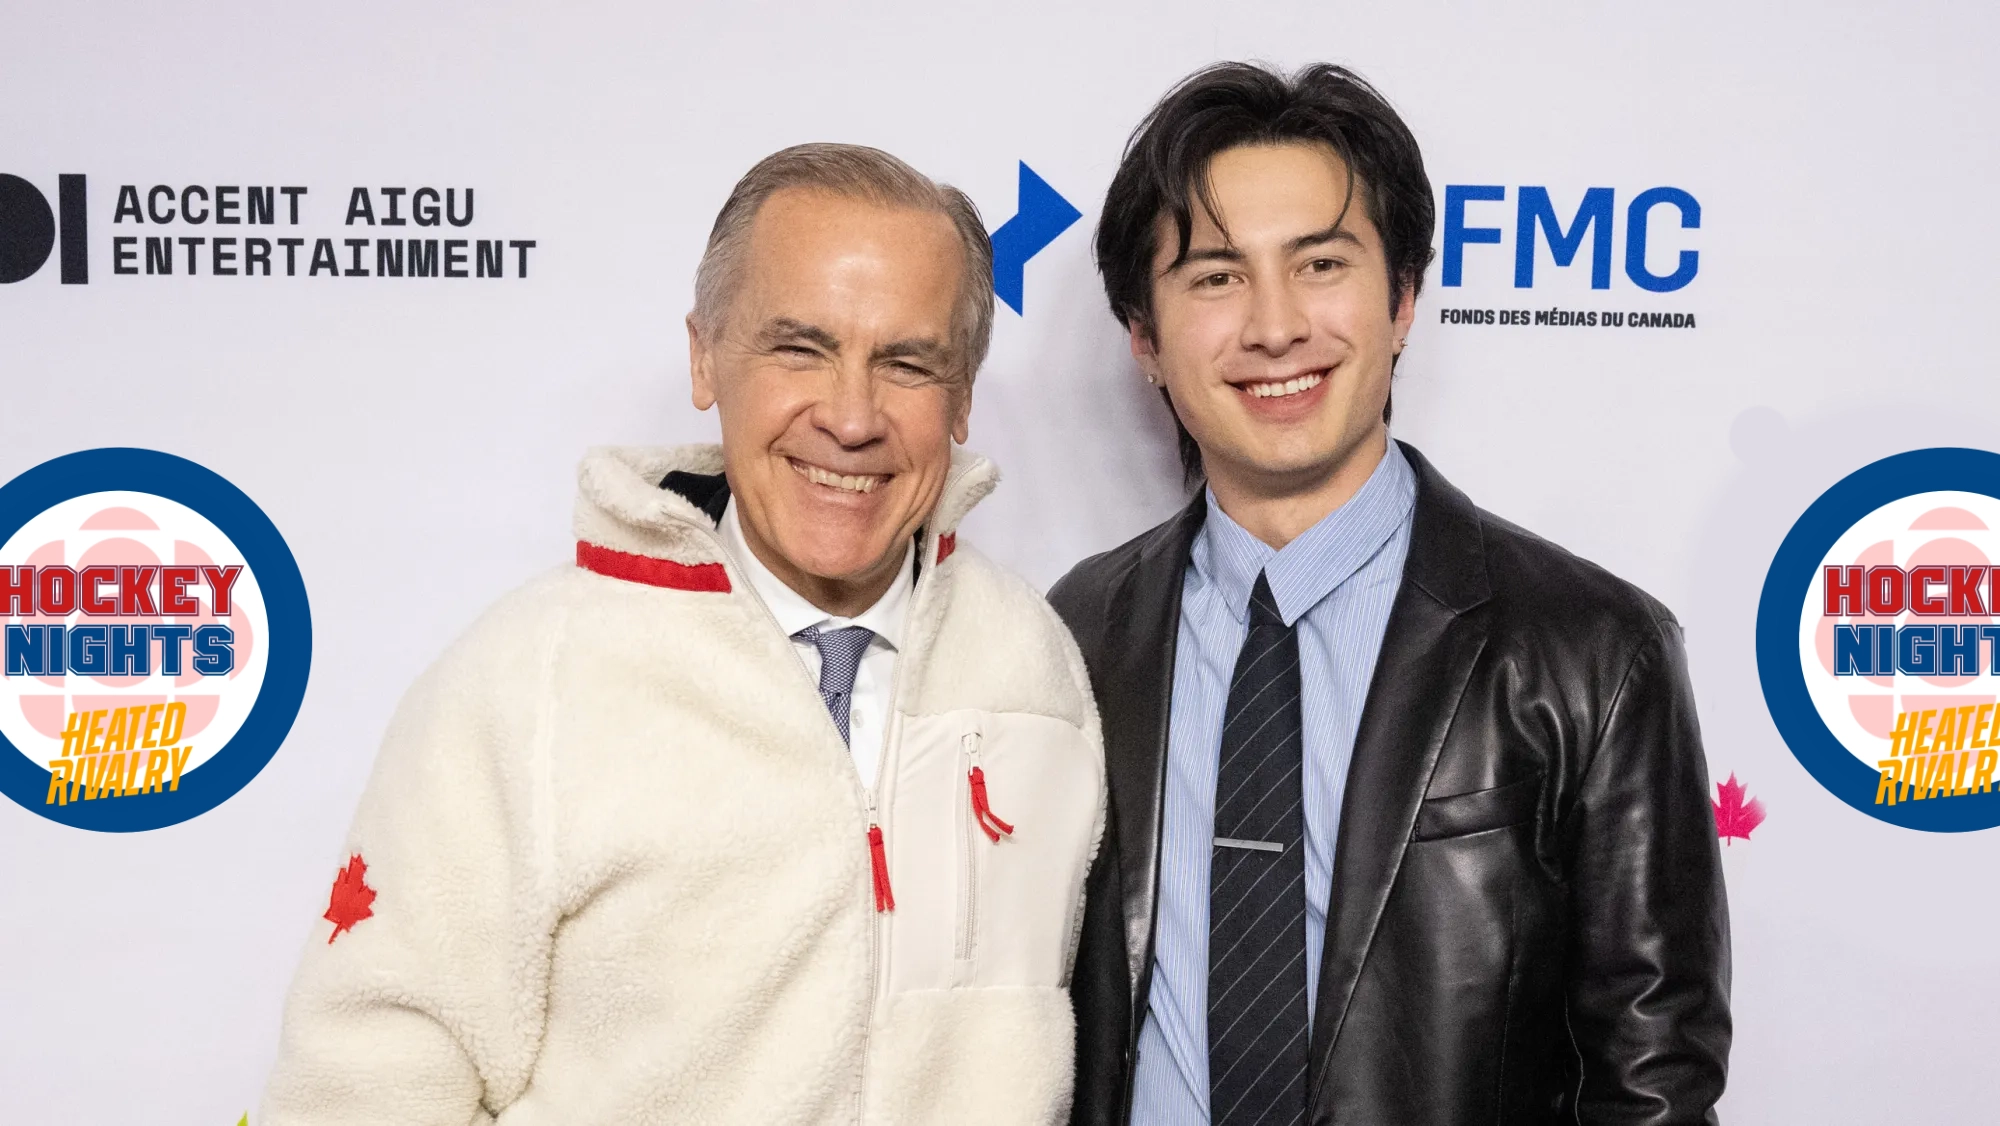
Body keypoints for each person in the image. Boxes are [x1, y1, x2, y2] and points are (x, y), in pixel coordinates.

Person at [263, 143, 1106, 1126]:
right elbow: (366, 1076)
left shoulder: (1032, 664)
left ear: (961, 397)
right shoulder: (533, 676)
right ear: (705, 358)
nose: (850, 417)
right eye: (800, 348)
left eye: (907, 363)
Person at [1050, 63, 1731, 1125]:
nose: (1275, 327)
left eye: (1321, 264)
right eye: (1216, 277)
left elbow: (1653, 1082)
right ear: (1144, 337)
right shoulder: (1079, 629)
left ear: (1403, 299)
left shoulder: (1592, 649)